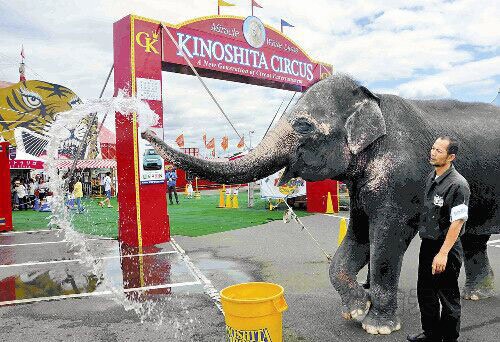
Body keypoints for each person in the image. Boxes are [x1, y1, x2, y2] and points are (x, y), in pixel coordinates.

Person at [408, 136, 470, 342]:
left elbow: (458, 222)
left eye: (439, 151)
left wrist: (443, 254)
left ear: (451, 157)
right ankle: (431, 334)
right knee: (425, 292)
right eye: (433, 148)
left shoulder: (458, 185)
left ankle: (450, 338)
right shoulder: (431, 177)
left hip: (447, 248)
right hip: (428, 244)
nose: (433, 153)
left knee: (448, 296)